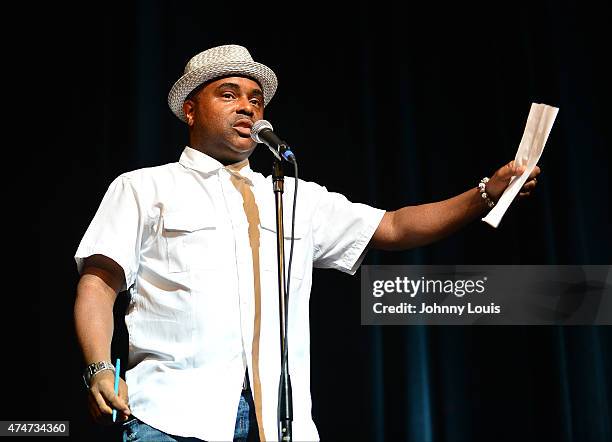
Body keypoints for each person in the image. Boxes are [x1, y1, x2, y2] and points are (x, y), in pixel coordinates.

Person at [74, 44, 540, 442]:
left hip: (279, 425)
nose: (247, 108)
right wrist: (98, 366)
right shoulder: (144, 187)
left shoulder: (292, 195)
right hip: (171, 416)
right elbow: (99, 283)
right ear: (191, 110)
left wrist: (484, 195)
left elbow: (394, 227)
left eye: (256, 100)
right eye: (229, 94)